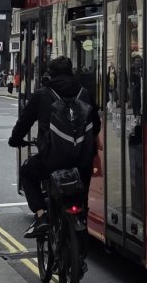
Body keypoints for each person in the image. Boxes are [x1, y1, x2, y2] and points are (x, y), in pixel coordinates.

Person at [7, 56, 99, 238]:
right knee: (81, 196)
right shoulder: (85, 93)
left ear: (50, 74)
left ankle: (41, 215)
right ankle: (81, 226)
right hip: (82, 160)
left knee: (27, 172)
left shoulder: (42, 94)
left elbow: (24, 122)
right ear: (71, 72)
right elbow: (96, 126)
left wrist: (15, 140)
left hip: (52, 160)